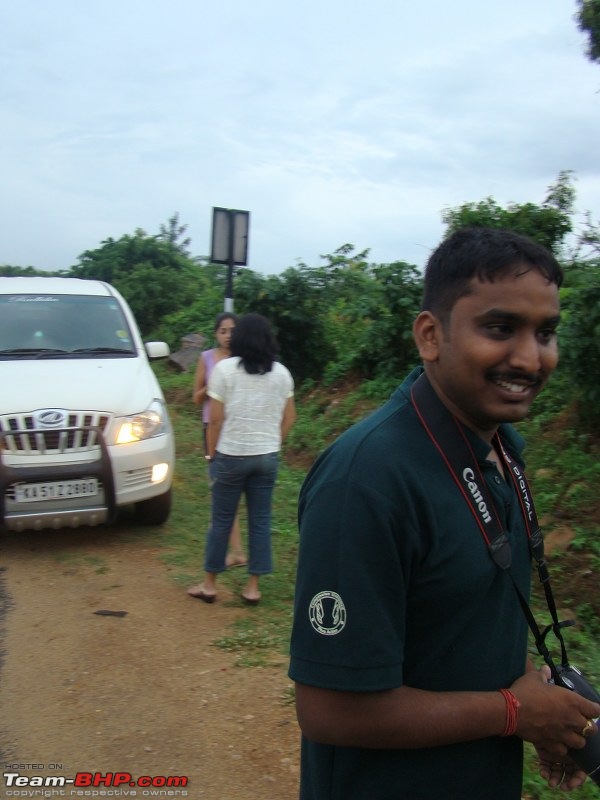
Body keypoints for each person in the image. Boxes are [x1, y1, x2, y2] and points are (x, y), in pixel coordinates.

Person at [288, 226, 600, 799]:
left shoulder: (503, 448)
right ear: (431, 335)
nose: (531, 359)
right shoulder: (367, 480)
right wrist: (512, 713)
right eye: (500, 328)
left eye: (547, 333)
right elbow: (330, 711)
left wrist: (548, 714)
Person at [188, 313, 296, 605]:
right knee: (260, 521)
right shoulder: (282, 373)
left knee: (221, 520)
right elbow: (289, 417)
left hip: (231, 455)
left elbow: (216, 421)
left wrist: (211, 454)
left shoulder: (224, 370)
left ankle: (209, 584)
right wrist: (273, 443)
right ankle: (252, 587)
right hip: (266, 456)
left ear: (239, 339)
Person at [192, 312, 246, 568]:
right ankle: (234, 551)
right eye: (223, 331)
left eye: (232, 330)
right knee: (220, 488)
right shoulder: (207, 358)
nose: (228, 336)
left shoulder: (246, 358)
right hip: (211, 428)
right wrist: (212, 384)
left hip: (236, 426)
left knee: (229, 489)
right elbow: (196, 397)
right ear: (216, 334)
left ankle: (233, 552)